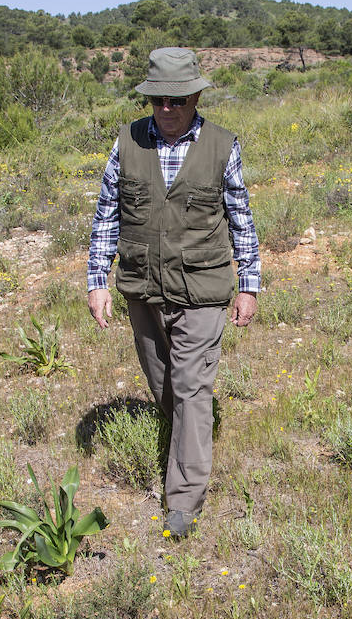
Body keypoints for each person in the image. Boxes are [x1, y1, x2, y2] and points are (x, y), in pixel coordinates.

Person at [87, 47, 260, 539]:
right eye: (158, 99)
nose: (167, 109)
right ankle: (185, 435)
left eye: (177, 99)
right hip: (143, 287)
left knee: (191, 388)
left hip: (202, 289)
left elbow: (241, 219)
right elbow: (106, 216)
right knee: (165, 383)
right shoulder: (127, 144)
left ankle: (183, 501)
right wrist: (97, 279)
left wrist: (248, 284)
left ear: (197, 96)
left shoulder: (222, 146)